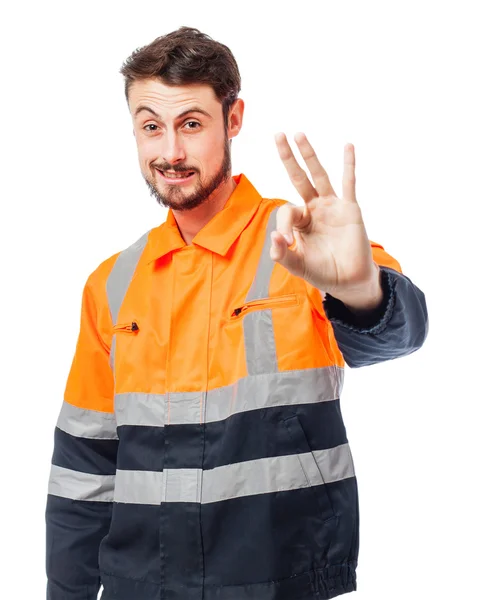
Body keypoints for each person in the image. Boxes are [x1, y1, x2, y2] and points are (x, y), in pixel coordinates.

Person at [45, 26, 428, 600]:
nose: (170, 152)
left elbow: (400, 334)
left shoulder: (302, 243)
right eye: (151, 127)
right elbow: (84, 464)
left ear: (234, 118)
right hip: (140, 587)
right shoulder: (111, 284)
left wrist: (362, 291)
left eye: (191, 124)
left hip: (281, 579)